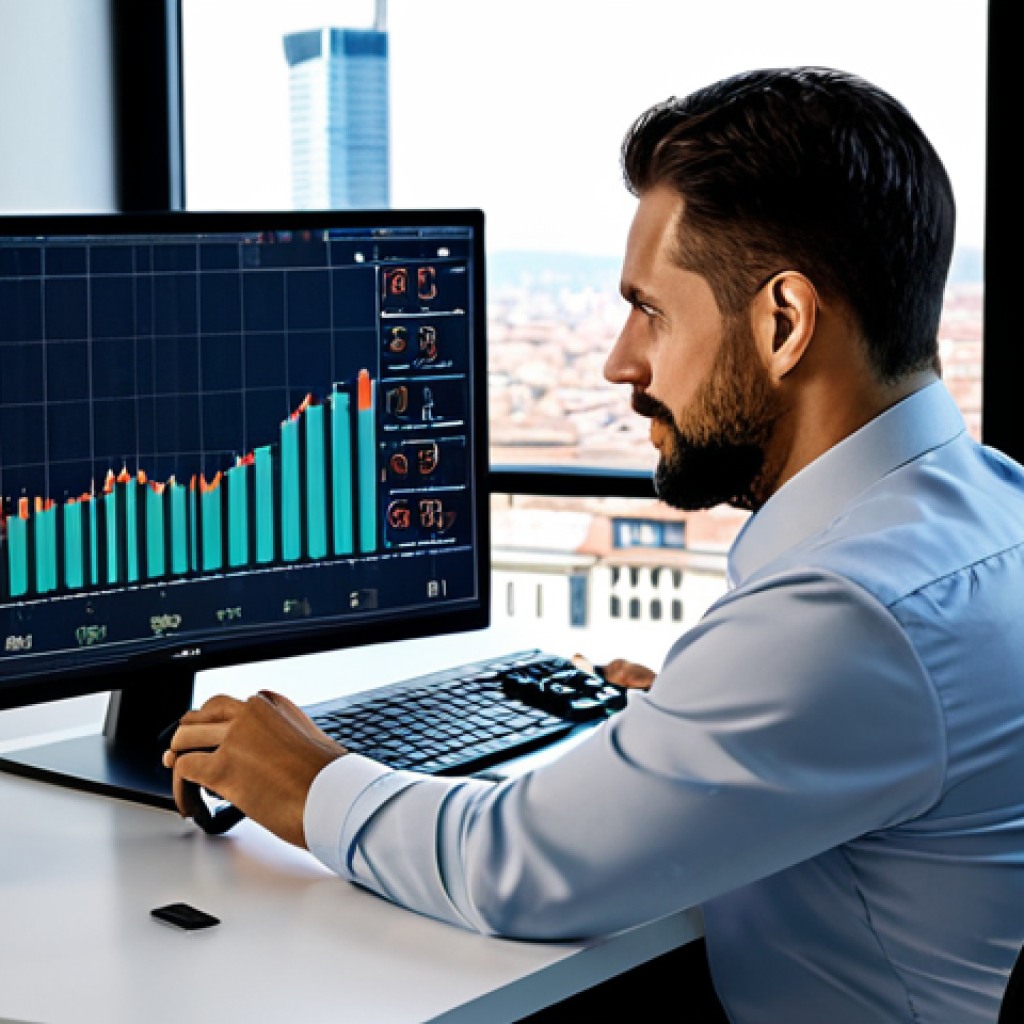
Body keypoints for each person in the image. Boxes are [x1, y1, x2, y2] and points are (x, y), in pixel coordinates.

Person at [165, 68, 1024, 1022]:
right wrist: (703, 722)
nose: (621, 361)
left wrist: (309, 778)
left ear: (784, 323)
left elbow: (519, 866)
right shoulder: (993, 512)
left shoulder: (844, 615)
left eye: (651, 310)